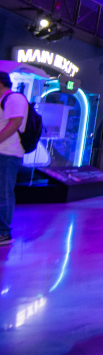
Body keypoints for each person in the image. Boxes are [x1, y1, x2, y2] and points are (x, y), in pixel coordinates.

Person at [0, 72, 28, 247]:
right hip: (3, 152)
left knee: (3, 193)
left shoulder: (14, 98)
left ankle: (3, 233)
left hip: (8, 153)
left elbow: (15, 123)